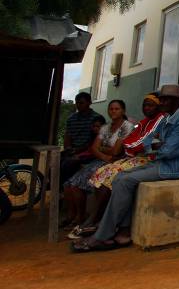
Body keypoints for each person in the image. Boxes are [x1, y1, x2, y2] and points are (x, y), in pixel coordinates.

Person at [72, 84, 179, 253]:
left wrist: (155, 146)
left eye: (165, 100)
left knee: (125, 181)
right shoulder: (167, 118)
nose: (161, 103)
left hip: (175, 167)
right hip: (160, 161)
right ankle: (123, 231)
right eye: (161, 99)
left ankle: (102, 236)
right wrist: (155, 146)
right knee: (119, 177)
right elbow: (149, 141)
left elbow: (169, 151)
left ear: (176, 101)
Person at [68, 94, 169, 239]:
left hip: (148, 160)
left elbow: (132, 145)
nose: (146, 108)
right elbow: (129, 143)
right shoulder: (143, 122)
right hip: (135, 157)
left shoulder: (160, 121)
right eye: (144, 105)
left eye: (150, 105)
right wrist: (129, 147)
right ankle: (95, 219)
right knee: (101, 173)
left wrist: (129, 147)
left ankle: (95, 220)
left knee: (112, 174)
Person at [63, 100, 133, 229]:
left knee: (83, 183)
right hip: (103, 160)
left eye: (117, 109)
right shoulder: (105, 127)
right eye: (111, 109)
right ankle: (76, 216)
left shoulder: (126, 126)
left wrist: (102, 149)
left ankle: (83, 218)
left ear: (123, 111)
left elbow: (116, 151)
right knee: (70, 184)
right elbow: (93, 148)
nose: (113, 111)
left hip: (116, 162)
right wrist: (105, 154)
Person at [60, 92, 105, 188]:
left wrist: (78, 151)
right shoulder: (71, 119)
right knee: (56, 160)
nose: (78, 105)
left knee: (68, 164)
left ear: (89, 103)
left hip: (88, 152)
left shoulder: (96, 119)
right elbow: (68, 136)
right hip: (73, 150)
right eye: (77, 103)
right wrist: (68, 149)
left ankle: (65, 188)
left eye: (81, 103)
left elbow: (95, 141)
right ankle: (55, 186)